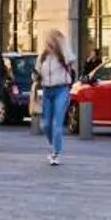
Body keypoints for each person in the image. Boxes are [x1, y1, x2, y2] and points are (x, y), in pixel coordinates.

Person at [35, 30, 77, 167]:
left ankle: (56, 153)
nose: (49, 43)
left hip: (61, 90)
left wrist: (62, 45)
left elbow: (73, 65)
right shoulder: (42, 57)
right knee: (46, 124)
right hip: (47, 90)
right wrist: (36, 77)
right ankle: (55, 145)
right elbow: (36, 73)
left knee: (56, 124)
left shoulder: (64, 55)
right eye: (48, 40)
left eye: (53, 40)